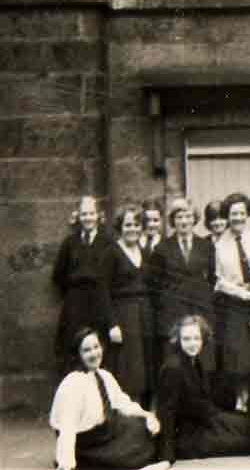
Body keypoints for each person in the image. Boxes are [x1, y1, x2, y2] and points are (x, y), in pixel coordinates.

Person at [49, 327, 168, 470]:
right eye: (87, 350)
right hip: (87, 441)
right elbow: (67, 426)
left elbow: (123, 403)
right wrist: (66, 463)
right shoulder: (73, 383)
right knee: (123, 457)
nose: (94, 353)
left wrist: (146, 415)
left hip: (107, 430)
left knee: (145, 429)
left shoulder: (104, 375)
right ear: (77, 354)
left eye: (96, 347)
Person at [156, 315, 250, 463]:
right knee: (245, 443)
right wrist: (166, 456)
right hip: (187, 437)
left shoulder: (194, 362)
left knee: (248, 426)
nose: (192, 344)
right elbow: (166, 412)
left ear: (203, 339)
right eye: (186, 339)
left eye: (196, 338)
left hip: (204, 423)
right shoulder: (173, 368)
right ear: (178, 340)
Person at [214, 192, 250, 412]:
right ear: (227, 216)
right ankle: (242, 401)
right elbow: (220, 282)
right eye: (233, 213)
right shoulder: (220, 245)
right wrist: (248, 297)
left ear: (247, 214)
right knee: (237, 355)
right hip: (235, 304)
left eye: (241, 212)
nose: (237, 217)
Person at [148, 197, 215, 367]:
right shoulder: (162, 248)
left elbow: (212, 279)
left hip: (200, 312)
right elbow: (154, 284)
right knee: (174, 364)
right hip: (173, 315)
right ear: (172, 221)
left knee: (203, 364)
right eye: (179, 217)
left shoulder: (206, 246)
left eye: (188, 216)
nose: (184, 221)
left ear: (194, 219)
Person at [52, 196, 114, 374]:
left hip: (99, 303)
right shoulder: (69, 243)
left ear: (98, 216)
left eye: (91, 213)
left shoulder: (107, 242)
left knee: (99, 350)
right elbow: (58, 276)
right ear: (78, 216)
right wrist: (74, 294)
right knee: (74, 348)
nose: (88, 218)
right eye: (84, 214)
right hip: (75, 305)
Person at [101, 204, 155, 407]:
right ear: (120, 227)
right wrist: (112, 324)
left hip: (146, 315)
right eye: (128, 225)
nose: (132, 229)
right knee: (129, 369)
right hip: (125, 316)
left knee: (148, 369)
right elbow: (102, 291)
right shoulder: (111, 253)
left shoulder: (146, 252)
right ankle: (127, 419)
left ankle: (146, 416)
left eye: (136, 224)